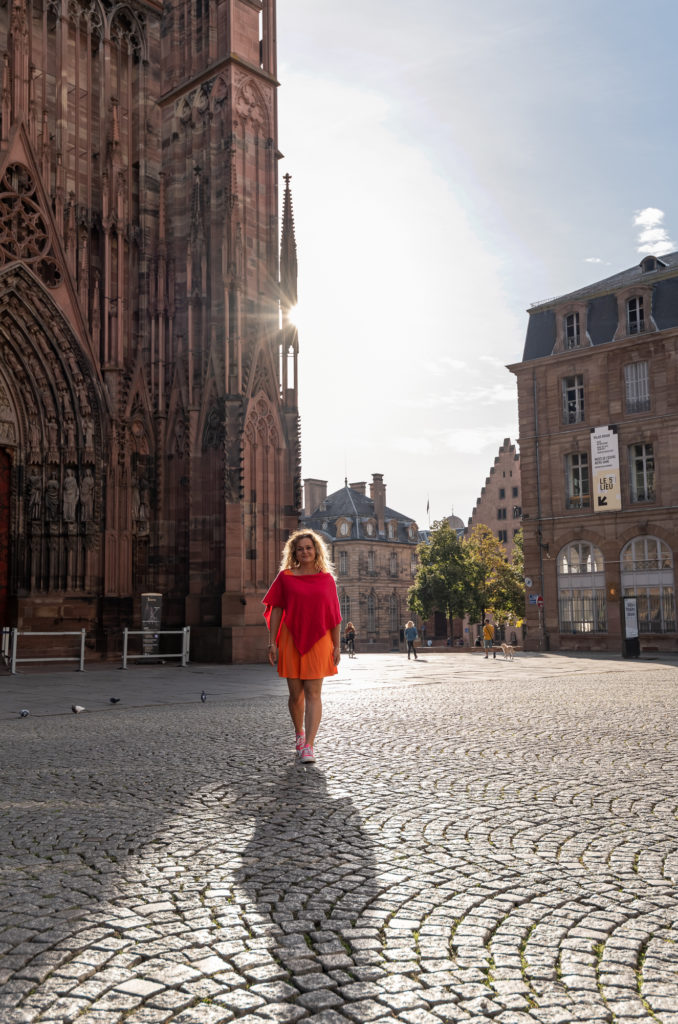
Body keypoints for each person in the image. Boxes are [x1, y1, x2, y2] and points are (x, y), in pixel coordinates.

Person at [263, 529, 341, 764]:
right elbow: (276, 609)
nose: (305, 551)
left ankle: (309, 745)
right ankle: (299, 735)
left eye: (309, 547)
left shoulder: (326, 578)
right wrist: (272, 642)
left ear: (316, 550)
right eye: (300, 548)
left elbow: (334, 615)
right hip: (290, 637)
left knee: (313, 693)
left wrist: (337, 646)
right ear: (294, 552)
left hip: (320, 640)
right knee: (295, 694)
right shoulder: (285, 577)